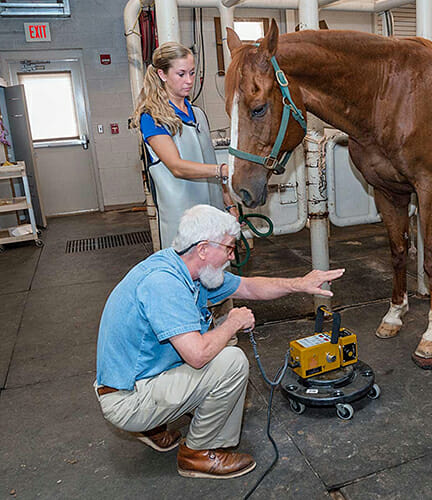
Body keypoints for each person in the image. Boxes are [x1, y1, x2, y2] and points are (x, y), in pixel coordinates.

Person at [94, 205, 345, 478]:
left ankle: (152, 426)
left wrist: (298, 283)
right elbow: (198, 355)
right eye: (228, 248)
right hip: (126, 401)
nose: (232, 255)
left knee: (213, 342)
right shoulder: (164, 285)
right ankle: (199, 453)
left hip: (136, 380)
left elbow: (248, 286)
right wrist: (233, 323)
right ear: (203, 249)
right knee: (230, 360)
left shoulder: (186, 268)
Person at [130, 42, 237, 249]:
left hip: (213, 214)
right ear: (162, 74)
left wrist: (229, 202)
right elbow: (176, 167)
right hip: (182, 222)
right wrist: (223, 170)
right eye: (181, 74)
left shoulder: (198, 115)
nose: (189, 81)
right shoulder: (153, 117)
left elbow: (209, 161)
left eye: (192, 73)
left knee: (217, 272)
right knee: (188, 276)